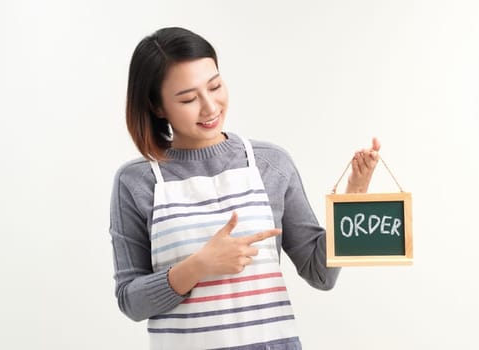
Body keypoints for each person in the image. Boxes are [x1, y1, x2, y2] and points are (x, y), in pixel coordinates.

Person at [109, 27, 381, 349]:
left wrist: (353, 197)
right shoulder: (136, 181)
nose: (210, 107)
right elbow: (131, 301)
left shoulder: (270, 163)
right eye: (189, 98)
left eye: (215, 86)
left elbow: (320, 274)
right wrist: (198, 266)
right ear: (157, 106)